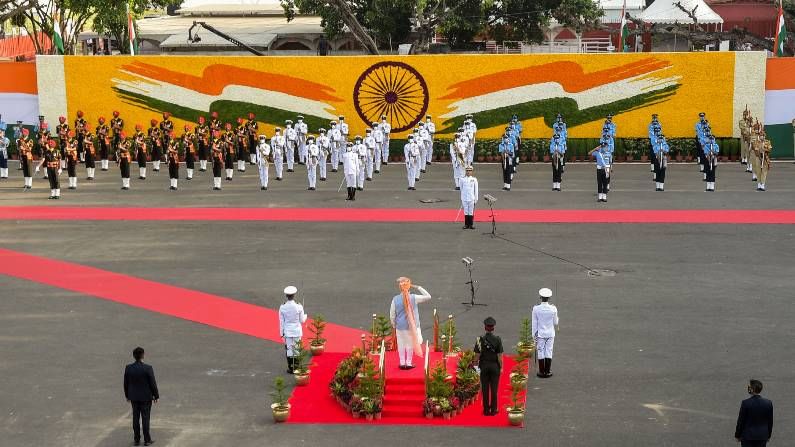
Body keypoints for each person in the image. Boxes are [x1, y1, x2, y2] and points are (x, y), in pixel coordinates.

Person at [389, 277, 431, 369]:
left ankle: (402, 362)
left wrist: (394, 325)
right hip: (412, 326)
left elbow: (392, 314)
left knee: (401, 344)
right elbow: (428, 296)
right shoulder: (414, 298)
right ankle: (408, 363)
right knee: (409, 344)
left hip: (400, 326)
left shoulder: (395, 299)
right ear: (409, 287)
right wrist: (418, 287)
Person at [124, 347, 159, 446]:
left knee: (135, 418)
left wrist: (127, 395)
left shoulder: (128, 368)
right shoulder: (148, 368)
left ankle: (136, 439)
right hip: (146, 397)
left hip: (134, 397)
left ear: (134, 356)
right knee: (145, 418)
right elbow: (152, 383)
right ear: (143, 355)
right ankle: (147, 440)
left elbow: (126, 383)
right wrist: (156, 395)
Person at [474, 316, 503, 416]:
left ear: (485, 328)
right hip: (494, 366)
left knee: (485, 388)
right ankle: (494, 409)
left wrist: (474, 364)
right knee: (494, 389)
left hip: (484, 366)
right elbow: (499, 356)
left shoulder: (479, 340)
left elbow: (477, 356)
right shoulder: (498, 340)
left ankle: (486, 410)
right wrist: (501, 367)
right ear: (493, 328)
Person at [735, 379, 773, 446]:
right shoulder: (768, 403)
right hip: (762, 436)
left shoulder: (746, 403)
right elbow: (770, 421)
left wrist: (737, 435)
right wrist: (768, 435)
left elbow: (741, 421)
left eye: (749, 387)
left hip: (748, 436)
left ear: (752, 389)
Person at [279, 286, 307, 374]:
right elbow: (302, 320)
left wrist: (281, 333)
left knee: (289, 349)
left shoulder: (282, 307)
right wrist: (305, 315)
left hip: (287, 331)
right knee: (296, 349)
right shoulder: (299, 306)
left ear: (286, 295)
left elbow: (281, 322)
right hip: (296, 331)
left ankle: (291, 368)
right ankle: (297, 367)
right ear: (294, 295)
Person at [532, 287, 559, 378]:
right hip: (550, 333)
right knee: (549, 350)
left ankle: (541, 371)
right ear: (549, 298)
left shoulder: (536, 308)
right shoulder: (553, 308)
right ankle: (547, 371)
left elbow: (534, 323)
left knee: (540, 350)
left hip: (540, 333)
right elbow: (555, 322)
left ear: (540, 297)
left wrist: (533, 335)